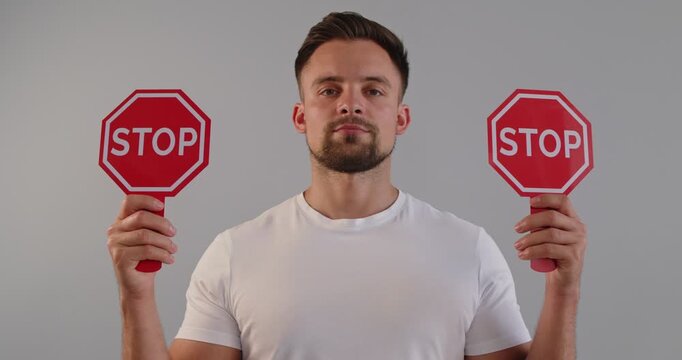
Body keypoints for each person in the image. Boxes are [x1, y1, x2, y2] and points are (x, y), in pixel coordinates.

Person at [106, 11, 587, 360]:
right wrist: (137, 296)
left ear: (401, 117)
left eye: (373, 90)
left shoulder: (469, 249)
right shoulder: (235, 252)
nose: (350, 105)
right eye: (329, 89)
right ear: (301, 115)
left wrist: (563, 291)